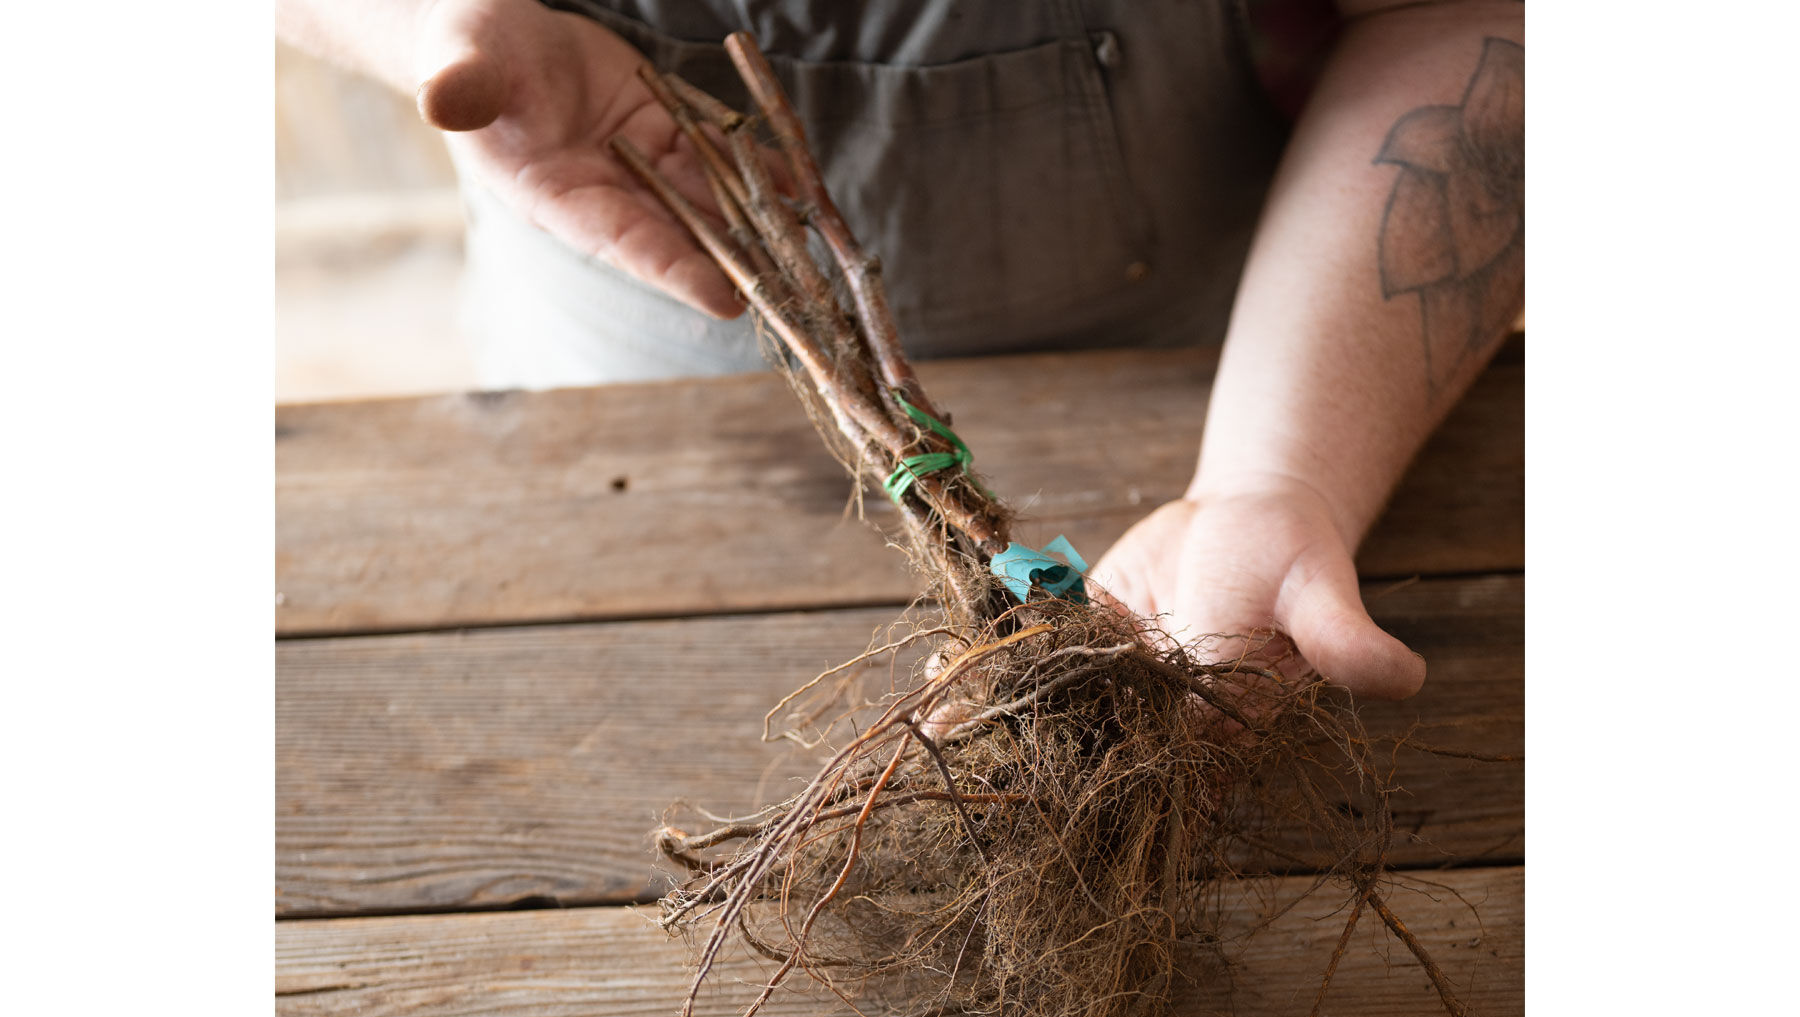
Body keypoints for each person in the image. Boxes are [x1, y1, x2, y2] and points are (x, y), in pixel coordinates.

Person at [276, 0, 1524, 701]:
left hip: (1254, 355)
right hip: (624, 358)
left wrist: (1275, 472)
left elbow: (1462, 19)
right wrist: (426, 22)